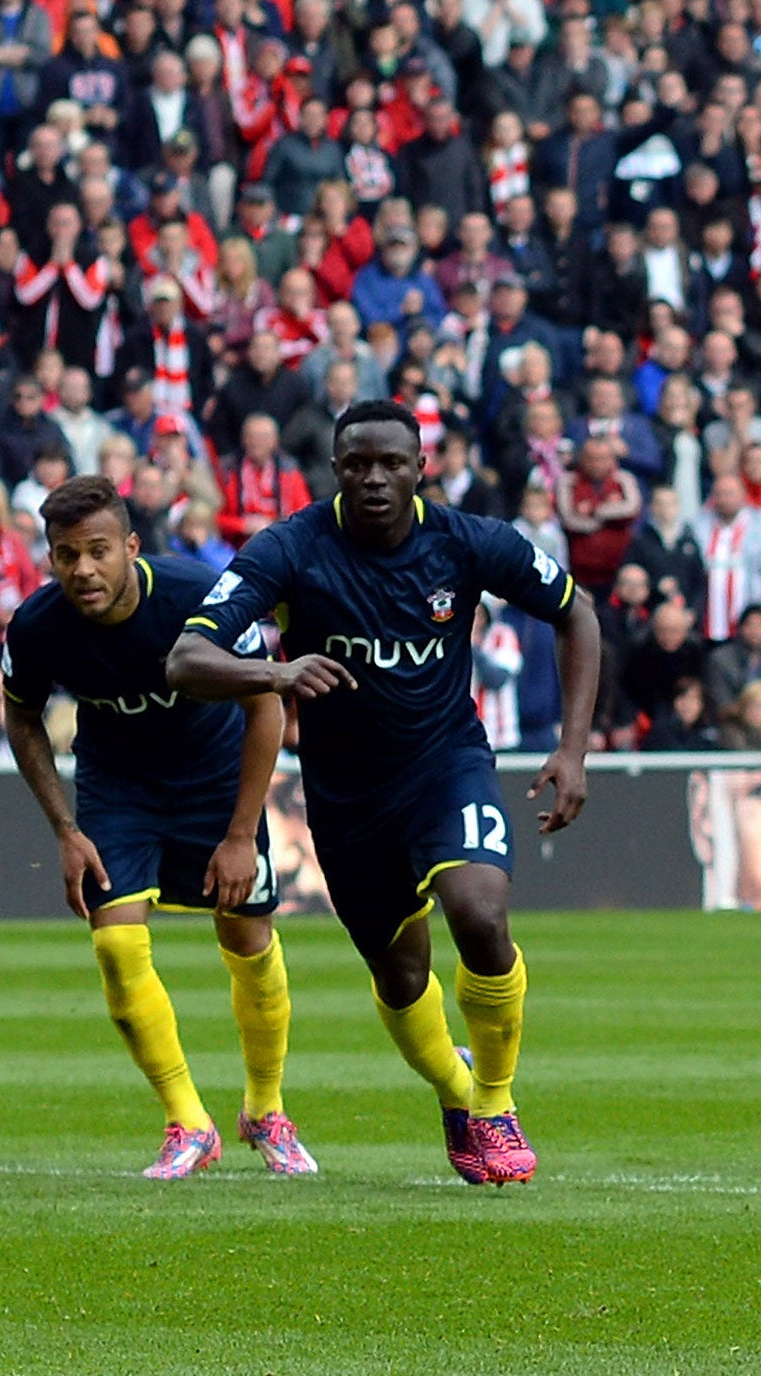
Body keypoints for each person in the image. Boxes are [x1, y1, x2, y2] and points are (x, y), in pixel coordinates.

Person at [166, 400, 601, 1185]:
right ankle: (457, 1090)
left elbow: (577, 613)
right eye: (358, 464)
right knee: (401, 977)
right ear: (336, 470)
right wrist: (277, 671)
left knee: (481, 911)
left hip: (446, 766)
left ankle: (495, 1105)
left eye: (391, 464)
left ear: (419, 468)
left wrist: (572, 750)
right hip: (347, 799)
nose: (374, 478)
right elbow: (186, 659)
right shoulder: (291, 548)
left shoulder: (469, 542)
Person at [3, 475, 317, 1179]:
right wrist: (64, 828)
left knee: (246, 936)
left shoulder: (198, 594)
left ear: (130, 548)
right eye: (65, 554)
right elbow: (21, 714)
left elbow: (267, 703)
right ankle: (187, 1121)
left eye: (98, 551)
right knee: (115, 944)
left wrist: (242, 834)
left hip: (213, 781)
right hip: (118, 791)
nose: (83, 568)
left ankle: (265, 1109)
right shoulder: (36, 625)